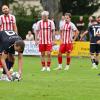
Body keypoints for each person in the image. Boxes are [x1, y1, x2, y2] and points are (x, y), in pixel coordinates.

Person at [0, 5, 18, 72]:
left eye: (6, 8)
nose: (5, 10)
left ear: (8, 9)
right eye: (3, 9)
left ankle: (10, 67)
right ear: (2, 11)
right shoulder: (0, 17)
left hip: (11, 38)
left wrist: (16, 36)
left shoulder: (12, 17)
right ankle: (2, 67)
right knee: (3, 53)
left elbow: (14, 26)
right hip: (3, 38)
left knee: (11, 53)